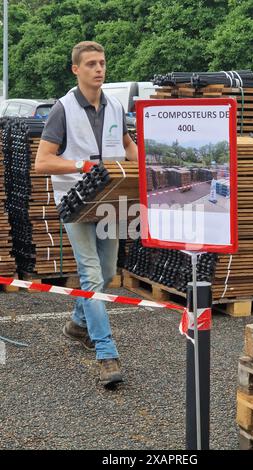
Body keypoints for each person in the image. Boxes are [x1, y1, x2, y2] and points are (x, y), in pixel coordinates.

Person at [35, 41, 138, 387]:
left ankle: (78, 324)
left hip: (109, 200)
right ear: (76, 69)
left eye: (103, 63)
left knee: (107, 273)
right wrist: (80, 164)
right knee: (92, 276)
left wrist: (147, 167)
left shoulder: (115, 106)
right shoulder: (62, 109)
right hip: (76, 202)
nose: (99, 69)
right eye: (91, 63)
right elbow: (42, 162)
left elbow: (126, 145)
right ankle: (107, 353)